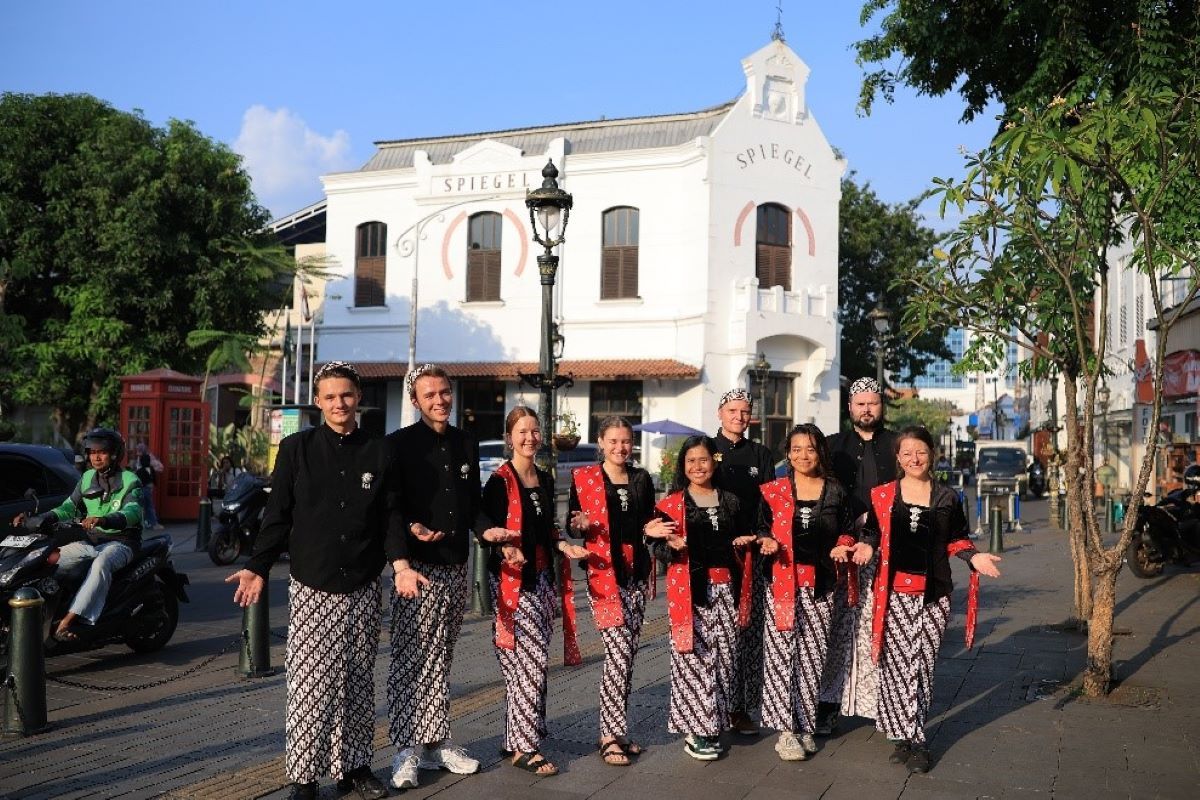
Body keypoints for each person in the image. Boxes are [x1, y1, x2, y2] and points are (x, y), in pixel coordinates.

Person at [226, 361, 397, 800]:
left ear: (358, 397)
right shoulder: (296, 448)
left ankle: (356, 767)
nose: (339, 403)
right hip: (312, 583)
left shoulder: (379, 451)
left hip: (362, 581)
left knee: (358, 679)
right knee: (309, 686)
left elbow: (390, 516)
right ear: (318, 402)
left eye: (347, 395)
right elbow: (277, 514)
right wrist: (257, 565)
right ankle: (304, 778)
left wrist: (401, 563)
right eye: (330, 396)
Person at [863, 426, 1002, 773]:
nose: (914, 458)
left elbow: (957, 539)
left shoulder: (947, 498)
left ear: (932, 454)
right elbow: (870, 534)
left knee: (921, 665)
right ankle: (905, 736)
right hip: (892, 595)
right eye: (907, 452)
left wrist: (974, 557)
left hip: (933, 595)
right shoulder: (881, 495)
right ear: (897, 458)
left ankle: (915, 736)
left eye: (921, 451)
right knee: (895, 667)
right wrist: (864, 546)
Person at [645, 435, 776, 761]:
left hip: (728, 591)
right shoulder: (673, 504)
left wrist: (749, 541)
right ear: (683, 466)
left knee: (724, 659)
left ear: (713, 463)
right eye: (690, 461)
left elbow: (747, 534)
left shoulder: (731, 501)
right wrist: (668, 546)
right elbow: (657, 547)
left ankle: (713, 724)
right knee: (694, 660)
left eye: (703, 460)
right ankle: (698, 731)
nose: (697, 467)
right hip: (692, 592)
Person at [476, 406, 590, 777]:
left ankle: (516, 737)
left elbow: (550, 530)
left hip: (542, 580)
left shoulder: (542, 477)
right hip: (512, 582)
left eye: (535, 431)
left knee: (525, 666)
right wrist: (502, 546)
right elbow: (488, 532)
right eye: (522, 432)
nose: (530, 438)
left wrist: (563, 546)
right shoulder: (499, 481)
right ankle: (526, 746)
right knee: (530, 664)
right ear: (510, 437)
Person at [384, 364, 482, 790]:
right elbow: (391, 508)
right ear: (415, 400)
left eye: (445, 392)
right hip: (416, 569)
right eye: (430, 395)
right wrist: (410, 532)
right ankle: (406, 748)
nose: (440, 400)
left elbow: (474, 502)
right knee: (410, 657)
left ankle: (436, 739)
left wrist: (489, 529)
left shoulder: (466, 442)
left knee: (441, 655)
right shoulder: (398, 446)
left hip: (456, 564)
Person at [757, 423, 870, 761]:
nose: (802, 455)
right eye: (795, 449)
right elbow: (760, 527)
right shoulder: (772, 491)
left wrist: (844, 545)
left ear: (820, 452)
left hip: (821, 584)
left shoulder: (835, 491)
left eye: (809, 449)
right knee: (780, 657)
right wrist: (765, 541)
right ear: (787, 453)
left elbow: (848, 530)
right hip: (781, 584)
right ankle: (785, 731)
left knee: (811, 656)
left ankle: (804, 724)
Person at [566, 416, 656, 766]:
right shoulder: (585, 478)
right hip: (603, 574)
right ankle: (608, 735)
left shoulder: (641, 478)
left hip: (635, 574)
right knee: (618, 652)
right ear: (600, 442)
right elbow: (573, 524)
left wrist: (657, 529)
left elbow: (649, 520)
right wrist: (579, 524)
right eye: (613, 441)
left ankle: (618, 731)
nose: (620, 447)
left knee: (628, 656)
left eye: (626, 441)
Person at [818, 376, 900, 736]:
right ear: (849, 407)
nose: (867, 409)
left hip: (885, 549)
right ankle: (828, 702)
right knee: (834, 629)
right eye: (860, 403)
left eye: (873, 403)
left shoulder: (898, 445)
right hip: (839, 549)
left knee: (881, 627)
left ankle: (884, 703)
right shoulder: (833, 447)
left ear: (881, 405)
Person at [13, 427, 143, 642]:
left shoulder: (130, 480)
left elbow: (133, 511)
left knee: (101, 564)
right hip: (91, 541)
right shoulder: (87, 478)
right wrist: (43, 518)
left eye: (101, 452)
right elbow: (68, 507)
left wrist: (105, 519)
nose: (96, 457)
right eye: (92, 452)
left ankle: (70, 620)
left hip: (123, 542)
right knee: (51, 559)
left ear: (114, 454)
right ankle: (42, 612)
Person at [709, 388, 776, 736]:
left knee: (748, 635)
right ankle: (711, 706)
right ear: (720, 413)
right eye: (732, 410)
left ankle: (740, 707)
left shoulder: (761, 454)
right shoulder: (705, 450)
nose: (739, 417)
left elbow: (771, 504)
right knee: (714, 636)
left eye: (745, 411)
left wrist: (763, 534)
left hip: (752, 556)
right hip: (714, 555)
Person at [134, 442, 165, 530]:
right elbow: (157, 471)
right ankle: (152, 523)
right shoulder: (145, 461)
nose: (137, 452)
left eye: (138, 451)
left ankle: (146, 523)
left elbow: (160, 468)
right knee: (147, 506)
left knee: (143, 506)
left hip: (142, 486)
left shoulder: (146, 459)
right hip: (145, 486)